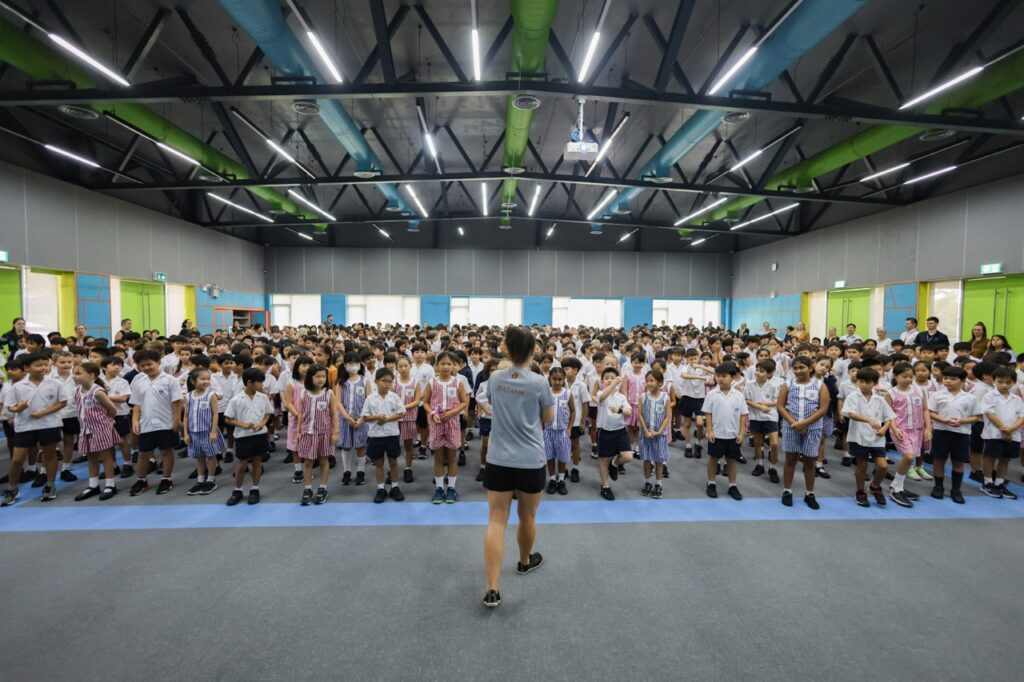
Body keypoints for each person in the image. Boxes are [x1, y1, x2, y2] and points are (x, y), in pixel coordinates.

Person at [482, 326, 554, 609]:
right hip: (530, 460)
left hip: (498, 458)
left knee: (496, 520)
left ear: (507, 349)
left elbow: (491, 403)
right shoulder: (539, 382)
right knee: (527, 516)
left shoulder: (495, 377)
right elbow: (548, 418)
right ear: (533, 350)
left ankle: (492, 588)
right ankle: (524, 561)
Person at [2, 353, 70, 505]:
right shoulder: (17, 386)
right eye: (38, 365)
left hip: (49, 424)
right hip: (25, 426)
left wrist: (44, 412)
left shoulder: (55, 383)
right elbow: (10, 406)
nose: (43, 368)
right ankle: (12, 488)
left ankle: (50, 485)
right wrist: (18, 408)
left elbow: (63, 402)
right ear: (27, 368)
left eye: (46, 364)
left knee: (49, 455)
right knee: (17, 459)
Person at [777, 356, 830, 509]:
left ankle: (809, 493)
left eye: (802, 367)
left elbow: (823, 409)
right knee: (790, 460)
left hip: (812, 428)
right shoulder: (788, 384)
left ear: (810, 368)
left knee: (809, 462)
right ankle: (787, 491)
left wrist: (804, 423)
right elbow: (780, 406)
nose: (798, 371)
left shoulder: (820, 385)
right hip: (791, 427)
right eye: (795, 368)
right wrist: (794, 423)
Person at [129, 349, 183, 496]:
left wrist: (176, 421)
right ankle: (142, 480)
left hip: (166, 423)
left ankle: (166, 479)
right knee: (143, 453)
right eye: (142, 365)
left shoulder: (170, 380)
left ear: (158, 363)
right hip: (146, 423)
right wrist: (135, 420)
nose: (146, 368)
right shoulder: (139, 381)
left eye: (149, 364)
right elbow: (137, 403)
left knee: (166, 451)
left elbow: (176, 402)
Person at [224, 368, 274, 506]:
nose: (262, 385)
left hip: (260, 435)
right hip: (243, 436)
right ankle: (238, 490)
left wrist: (262, 423)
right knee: (241, 464)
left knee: (257, 461)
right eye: (260, 382)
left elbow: (268, 413)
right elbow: (228, 419)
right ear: (250, 382)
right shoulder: (236, 399)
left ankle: (255, 489)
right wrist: (243, 425)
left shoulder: (263, 397)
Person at [929, 366, 979, 504]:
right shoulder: (937, 395)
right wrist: (943, 420)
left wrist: (962, 421)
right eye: (945, 378)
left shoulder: (970, 398)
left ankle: (956, 490)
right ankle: (938, 486)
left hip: (961, 433)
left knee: (958, 462)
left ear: (962, 381)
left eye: (953, 379)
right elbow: (931, 412)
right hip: (941, 431)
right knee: (939, 460)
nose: (948, 381)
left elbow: (976, 416)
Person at [423, 350, 467, 504]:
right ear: (437, 365)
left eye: (449, 364)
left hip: (452, 422)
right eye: (443, 363)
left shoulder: (458, 382)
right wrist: (432, 413)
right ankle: (439, 488)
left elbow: (464, 402)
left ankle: (452, 488)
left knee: (452, 457)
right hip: (436, 423)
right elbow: (425, 402)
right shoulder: (431, 382)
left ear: (454, 366)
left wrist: (453, 412)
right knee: (439, 458)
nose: (446, 367)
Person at [885, 363, 931, 507]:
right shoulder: (891, 393)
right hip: (900, 430)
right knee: (909, 456)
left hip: (917, 430)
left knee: (910, 459)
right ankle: (896, 487)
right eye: (904, 376)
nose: (908, 379)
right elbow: (888, 413)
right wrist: (894, 428)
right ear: (895, 376)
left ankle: (899, 486)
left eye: (911, 377)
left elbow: (925, 410)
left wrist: (928, 428)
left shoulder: (919, 391)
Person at [702, 362, 748, 501]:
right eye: (718, 376)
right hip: (717, 433)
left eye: (724, 376)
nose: (720, 379)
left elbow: (743, 415)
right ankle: (711, 483)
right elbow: (708, 413)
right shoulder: (711, 394)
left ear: (732, 377)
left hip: (733, 434)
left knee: (732, 460)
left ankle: (732, 485)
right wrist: (709, 431)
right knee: (713, 458)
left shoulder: (738, 395)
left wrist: (741, 433)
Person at [361, 367, 407, 503]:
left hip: (392, 434)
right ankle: (380, 489)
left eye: (390, 381)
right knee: (379, 463)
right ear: (376, 381)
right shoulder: (370, 398)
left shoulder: (394, 397)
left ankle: (395, 487)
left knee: (393, 462)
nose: (387, 384)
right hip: (375, 435)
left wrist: (386, 419)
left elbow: (401, 413)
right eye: (384, 381)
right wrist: (376, 417)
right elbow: (365, 417)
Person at [978, 367, 1023, 499]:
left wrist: (1012, 429)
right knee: (990, 457)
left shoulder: (1017, 399)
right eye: (1000, 381)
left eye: (1008, 382)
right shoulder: (989, 396)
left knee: (1005, 458)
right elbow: (990, 414)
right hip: (994, 433)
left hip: (1013, 434)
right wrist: (1005, 429)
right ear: (994, 381)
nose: (1004, 385)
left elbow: (1021, 416)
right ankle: (987, 482)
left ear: (1013, 382)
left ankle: (999, 483)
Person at [296, 363, 337, 505]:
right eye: (318, 376)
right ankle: (307, 488)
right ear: (310, 377)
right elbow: (301, 413)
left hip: (324, 433)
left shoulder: (329, 393)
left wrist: (335, 432)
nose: (321, 379)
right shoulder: (303, 393)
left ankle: (322, 488)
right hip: (307, 433)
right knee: (308, 462)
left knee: (324, 461)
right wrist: (298, 431)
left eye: (323, 376)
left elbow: (334, 415)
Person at [183, 368, 225, 496]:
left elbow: (215, 414)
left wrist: (213, 432)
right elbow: (186, 416)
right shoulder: (188, 396)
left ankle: (211, 480)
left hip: (207, 432)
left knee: (211, 456)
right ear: (193, 381)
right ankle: (200, 481)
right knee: (199, 457)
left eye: (208, 379)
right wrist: (185, 433)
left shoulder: (211, 395)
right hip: (193, 432)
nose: (206, 381)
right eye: (202, 379)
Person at [594, 366, 632, 501]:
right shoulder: (600, 393)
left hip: (620, 430)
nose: (610, 380)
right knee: (603, 460)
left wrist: (619, 410)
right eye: (606, 378)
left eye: (612, 378)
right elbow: (603, 396)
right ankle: (605, 486)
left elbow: (629, 411)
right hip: (604, 431)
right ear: (602, 381)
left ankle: (614, 463)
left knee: (628, 457)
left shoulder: (621, 396)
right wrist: (614, 382)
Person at [335, 351, 371, 486]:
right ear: (345, 365)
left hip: (361, 419)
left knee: (361, 446)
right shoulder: (341, 382)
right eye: (350, 363)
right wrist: (347, 417)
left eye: (356, 362)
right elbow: (338, 402)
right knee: (346, 446)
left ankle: (361, 471)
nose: (353, 365)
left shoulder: (365, 381)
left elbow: (369, 401)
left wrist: (362, 418)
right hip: (345, 420)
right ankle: (347, 471)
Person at [745, 358, 781, 482]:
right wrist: (760, 406)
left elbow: (777, 401)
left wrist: (764, 403)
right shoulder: (749, 384)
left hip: (771, 417)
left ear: (769, 374)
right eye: (757, 370)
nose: (758, 373)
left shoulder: (773, 386)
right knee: (757, 443)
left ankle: (772, 467)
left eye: (761, 371)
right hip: (755, 416)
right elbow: (748, 400)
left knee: (774, 444)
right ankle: (759, 465)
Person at [638, 368, 670, 498]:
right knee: (646, 459)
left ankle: (658, 484)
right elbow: (640, 415)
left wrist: (660, 431)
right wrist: (645, 431)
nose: (649, 383)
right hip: (646, 434)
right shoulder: (643, 396)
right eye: (647, 381)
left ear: (660, 382)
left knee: (659, 460)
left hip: (659, 435)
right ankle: (647, 482)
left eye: (652, 380)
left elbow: (667, 417)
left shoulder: (665, 397)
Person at [543, 367, 574, 495]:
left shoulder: (568, 394)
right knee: (549, 456)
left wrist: (569, 428)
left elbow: (573, 411)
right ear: (550, 378)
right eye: (554, 379)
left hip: (562, 431)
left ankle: (561, 479)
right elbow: (541, 411)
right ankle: (552, 479)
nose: (557, 382)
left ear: (564, 379)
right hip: (548, 431)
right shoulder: (546, 394)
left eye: (560, 379)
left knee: (562, 457)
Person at [393, 356, 421, 484]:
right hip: (394, 418)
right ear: (397, 368)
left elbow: (417, 401)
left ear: (410, 366)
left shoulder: (415, 382)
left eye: (406, 366)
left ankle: (408, 468)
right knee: (393, 446)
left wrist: (403, 407)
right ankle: (392, 469)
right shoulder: (394, 382)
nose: (403, 369)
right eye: (400, 366)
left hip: (409, 418)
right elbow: (390, 397)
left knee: (408, 445)